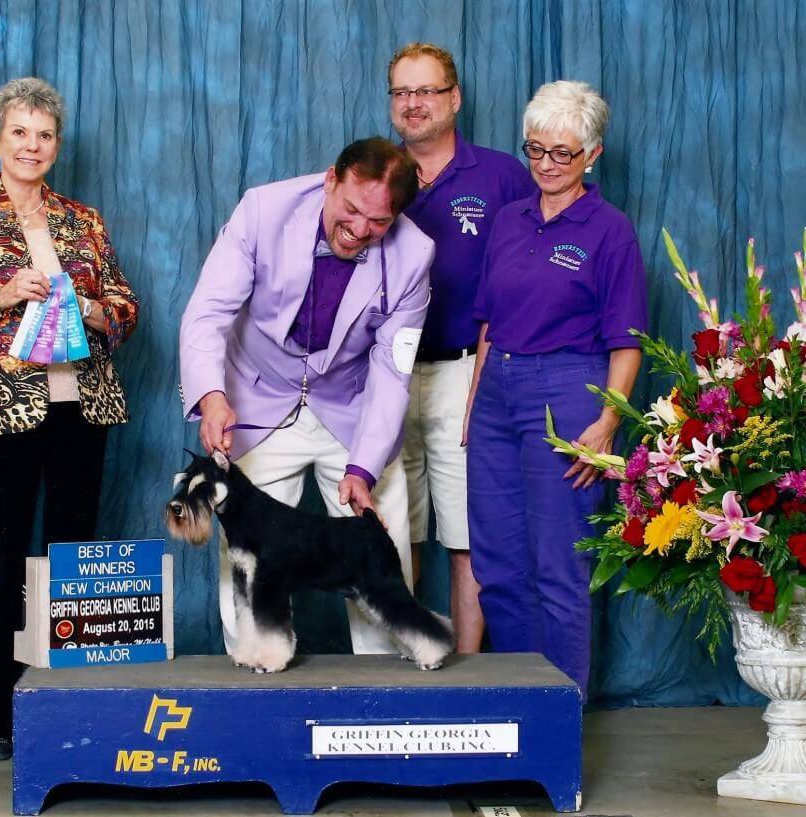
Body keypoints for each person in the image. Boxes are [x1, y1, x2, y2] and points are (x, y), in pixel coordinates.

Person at [0, 77, 139, 760]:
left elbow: (125, 303)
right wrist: (0, 295)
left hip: (84, 406)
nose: (32, 145)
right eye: (19, 132)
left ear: (56, 145)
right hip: (0, 414)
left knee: (72, 560)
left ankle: (69, 706)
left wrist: (104, 312)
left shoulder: (84, 220)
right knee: (4, 563)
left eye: (43, 134)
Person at [179, 137, 433, 656]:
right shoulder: (262, 210)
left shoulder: (415, 255)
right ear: (330, 180)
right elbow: (207, 313)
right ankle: (257, 666)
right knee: (246, 558)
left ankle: (384, 689)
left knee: (382, 556)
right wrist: (211, 396)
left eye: (379, 223)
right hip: (257, 402)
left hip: (353, 412)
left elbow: (392, 371)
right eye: (353, 210)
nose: (361, 230)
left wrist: (365, 469)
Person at [465, 80, 647, 695]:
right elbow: (488, 321)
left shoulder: (609, 229)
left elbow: (628, 339)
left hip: (570, 390)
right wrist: (473, 406)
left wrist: (609, 421)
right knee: (497, 563)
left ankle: (560, 720)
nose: (545, 165)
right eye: (535, 150)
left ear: (592, 155)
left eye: (562, 153)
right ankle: (521, 705)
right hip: (498, 388)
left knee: (558, 565)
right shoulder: (509, 220)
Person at [388, 42, 534, 653]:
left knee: (466, 531)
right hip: (385, 374)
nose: (413, 104)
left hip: (464, 372)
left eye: (426, 91)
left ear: (455, 98)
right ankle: (397, 666)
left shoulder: (501, 176)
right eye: (402, 92)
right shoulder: (376, 173)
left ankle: (468, 674)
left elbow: (530, 277)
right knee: (393, 529)